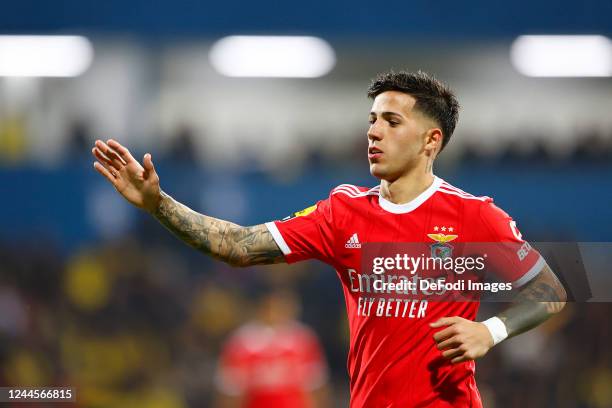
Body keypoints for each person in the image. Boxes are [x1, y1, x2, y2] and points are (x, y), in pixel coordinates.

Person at [91, 70, 567, 407]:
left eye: (392, 122)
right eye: (372, 120)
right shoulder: (344, 213)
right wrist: (158, 204)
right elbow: (237, 246)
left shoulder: (473, 216)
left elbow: (550, 292)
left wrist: (490, 331)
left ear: (432, 141)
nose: (374, 132)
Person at [214, 287, 330, 408]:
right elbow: (230, 391)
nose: (275, 312)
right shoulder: (242, 342)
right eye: (271, 307)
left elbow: (315, 387)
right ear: (260, 308)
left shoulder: (302, 339)